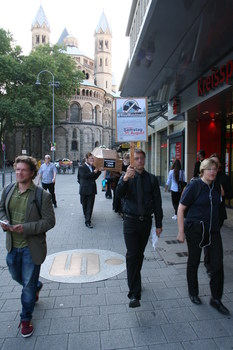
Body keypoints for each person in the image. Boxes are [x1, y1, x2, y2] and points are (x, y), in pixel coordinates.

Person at [0, 156, 55, 337]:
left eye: (23, 170)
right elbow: (1, 208)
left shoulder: (42, 195)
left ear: (32, 173)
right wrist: (4, 220)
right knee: (17, 276)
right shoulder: (8, 189)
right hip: (12, 245)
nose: (19, 173)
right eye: (17, 169)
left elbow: (49, 222)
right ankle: (36, 285)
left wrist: (26, 228)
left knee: (27, 287)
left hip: (31, 248)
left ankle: (25, 319)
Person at [177, 158, 230, 315]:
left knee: (217, 265)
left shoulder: (215, 187)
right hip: (195, 230)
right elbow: (181, 209)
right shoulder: (194, 185)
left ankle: (216, 298)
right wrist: (181, 232)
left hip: (213, 230)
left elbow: (218, 203)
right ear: (202, 171)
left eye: (215, 169)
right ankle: (193, 292)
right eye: (209, 169)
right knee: (194, 261)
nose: (213, 171)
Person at [116, 149, 163, 308]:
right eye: (136, 158)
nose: (140, 161)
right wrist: (125, 179)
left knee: (139, 254)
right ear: (132, 161)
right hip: (130, 221)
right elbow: (118, 195)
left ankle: (136, 279)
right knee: (132, 255)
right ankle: (134, 294)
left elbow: (157, 203)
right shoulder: (127, 177)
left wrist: (159, 223)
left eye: (142, 158)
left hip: (145, 222)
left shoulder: (151, 179)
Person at [204, 153, 233, 275]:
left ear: (219, 165)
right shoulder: (204, 177)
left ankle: (214, 262)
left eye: (216, 164)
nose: (214, 168)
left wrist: (223, 194)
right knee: (207, 237)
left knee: (213, 237)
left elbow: (231, 194)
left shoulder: (224, 178)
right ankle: (208, 263)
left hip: (219, 214)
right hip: (205, 214)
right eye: (212, 163)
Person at [78, 152, 101, 228]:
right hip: (84, 190)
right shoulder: (81, 167)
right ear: (86, 159)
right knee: (84, 205)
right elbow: (84, 176)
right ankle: (86, 216)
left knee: (90, 206)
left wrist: (99, 171)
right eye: (90, 158)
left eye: (92, 158)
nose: (92, 160)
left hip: (92, 189)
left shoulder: (93, 167)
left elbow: (94, 177)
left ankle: (88, 221)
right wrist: (93, 172)